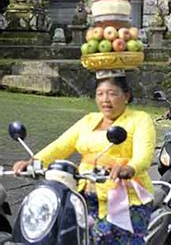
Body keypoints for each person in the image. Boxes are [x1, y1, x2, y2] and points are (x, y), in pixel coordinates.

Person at [13, 75, 156, 243]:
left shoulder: (139, 119)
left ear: (126, 96)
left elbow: (143, 155)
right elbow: (60, 146)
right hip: (84, 195)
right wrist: (33, 162)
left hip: (127, 199)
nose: (105, 99)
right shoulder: (89, 119)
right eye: (100, 94)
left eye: (112, 93)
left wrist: (129, 168)